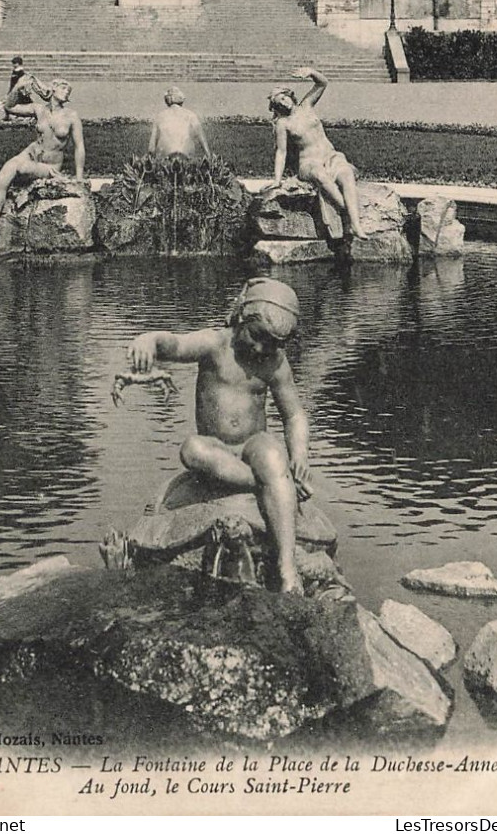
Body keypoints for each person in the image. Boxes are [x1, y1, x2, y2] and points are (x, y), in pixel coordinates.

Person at [128, 277, 312, 593]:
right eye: (256, 336)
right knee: (191, 449)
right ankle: (271, 484)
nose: (260, 348)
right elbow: (175, 344)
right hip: (217, 447)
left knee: (271, 454)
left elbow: (294, 414)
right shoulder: (214, 344)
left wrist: (299, 456)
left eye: (273, 343)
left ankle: (286, 565)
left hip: (253, 443)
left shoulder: (274, 362)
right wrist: (149, 340)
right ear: (240, 316)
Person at [0, 79, 85, 250]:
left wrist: (79, 179)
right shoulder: (39, 109)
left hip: (50, 166)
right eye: (64, 87)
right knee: (6, 169)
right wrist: (18, 86)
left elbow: (79, 147)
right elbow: (10, 106)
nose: (67, 91)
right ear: (53, 89)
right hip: (32, 152)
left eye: (69, 89)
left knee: (21, 167)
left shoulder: (72, 116)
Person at [268, 67, 367, 240]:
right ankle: (348, 214)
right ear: (276, 108)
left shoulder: (307, 105)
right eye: (278, 103)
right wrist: (277, 180)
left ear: (290, 95)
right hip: (309, 163)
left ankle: (356, 225)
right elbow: (281, 152)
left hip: (331, 156)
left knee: (346, 174)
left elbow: (323, 83)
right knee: (321, 176)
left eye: (284, 97)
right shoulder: (282, 124)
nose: (283, 103)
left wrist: (311, 72)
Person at [148, 86, 210, 159]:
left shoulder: (159, 117)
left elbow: (151, 148)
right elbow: (202, 139)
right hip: (186, 156)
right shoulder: (191, 115)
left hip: (164, 157)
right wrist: (209, 157)